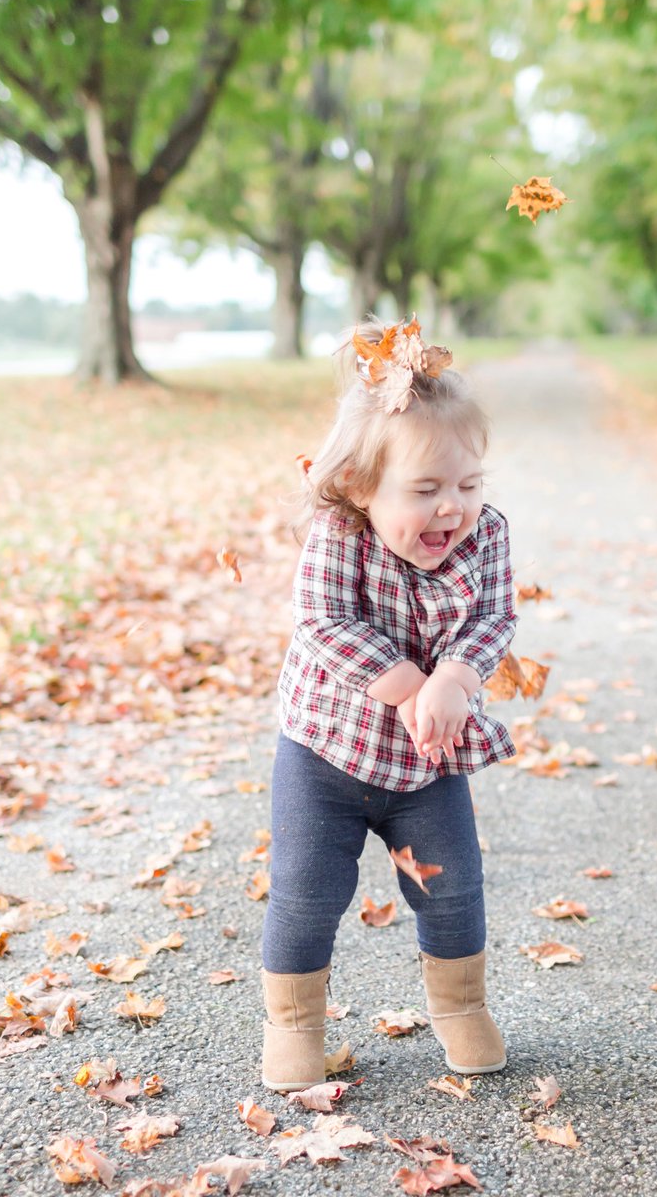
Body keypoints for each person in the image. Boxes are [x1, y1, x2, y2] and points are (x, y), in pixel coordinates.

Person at [260, 316, 518, 1091]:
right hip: (325, 756)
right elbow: (322, 623)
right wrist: (408, 682)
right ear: (364, 488)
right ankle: (295, 1023)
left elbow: (494, 616)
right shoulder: (341, 536)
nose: (452, 510)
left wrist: (454, 680)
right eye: (427, 490)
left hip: (428, 764)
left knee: (452, 886)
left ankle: (461, 1006)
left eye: (468, 486)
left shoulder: (486, 537)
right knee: (308, 892)